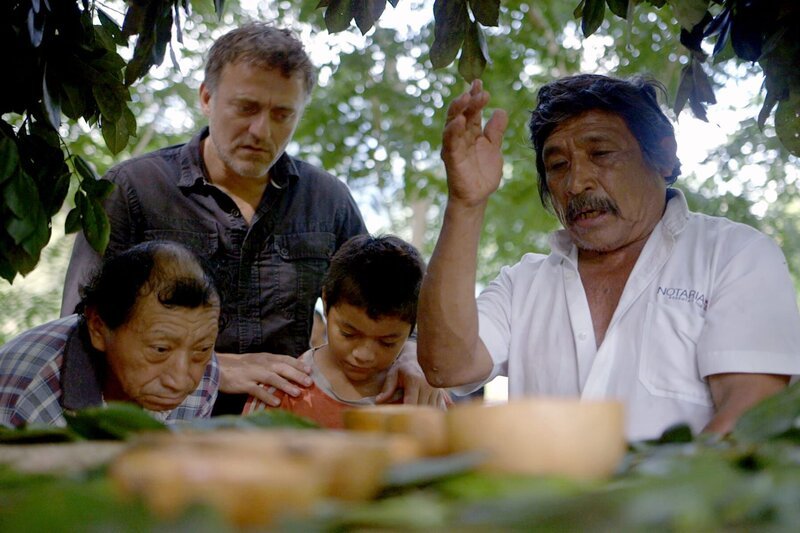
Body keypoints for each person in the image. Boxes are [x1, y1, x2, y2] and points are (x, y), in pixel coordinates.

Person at [60, 22, 445, 414]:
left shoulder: (328, 200)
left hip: (283, 431)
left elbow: (386, 299)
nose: (262, 130)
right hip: (163, 424)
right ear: (207, 98)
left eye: (282, 114)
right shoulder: (134, 188)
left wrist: (410, 352)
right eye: (246, 108)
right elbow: (77, 326)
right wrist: (212, 368)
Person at [417, 74, 800, 441]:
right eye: (557, 166)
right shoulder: (523, 284)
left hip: (692, 509)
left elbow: (749, 419)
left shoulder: (733, 255)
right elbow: (446, 365)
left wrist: (621, 508)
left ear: (664, 155)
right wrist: (465, 202)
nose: (576, 182)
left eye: (600, 153)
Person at [0, 241, 220, 428]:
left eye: (201, 349)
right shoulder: (37, 396)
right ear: (98, 326)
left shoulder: (205, 366)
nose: (180, 381)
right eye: (160, 349)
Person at [243, 234, 439, 428]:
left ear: (412, 327)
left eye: (387, 342)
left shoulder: (421, 396)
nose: (363, 355)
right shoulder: (282, 390)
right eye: (348, 333)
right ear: (326, 301)